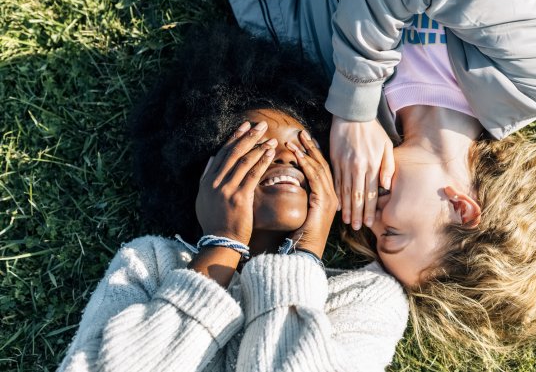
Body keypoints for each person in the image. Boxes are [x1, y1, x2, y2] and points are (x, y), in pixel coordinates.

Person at [57, 25, 408, 372]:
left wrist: (304, 259)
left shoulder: (368, 297)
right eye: (256, 147)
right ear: (206, 173)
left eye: (303, 145)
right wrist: (221, 246)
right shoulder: (147, 265)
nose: (285, 156)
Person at [223, 0, 536, 232]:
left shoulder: (317, 80)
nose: (368, 220)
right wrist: (355, 102)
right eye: (392, 235)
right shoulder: (535, 83)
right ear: (461, 208)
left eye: (374, 240)